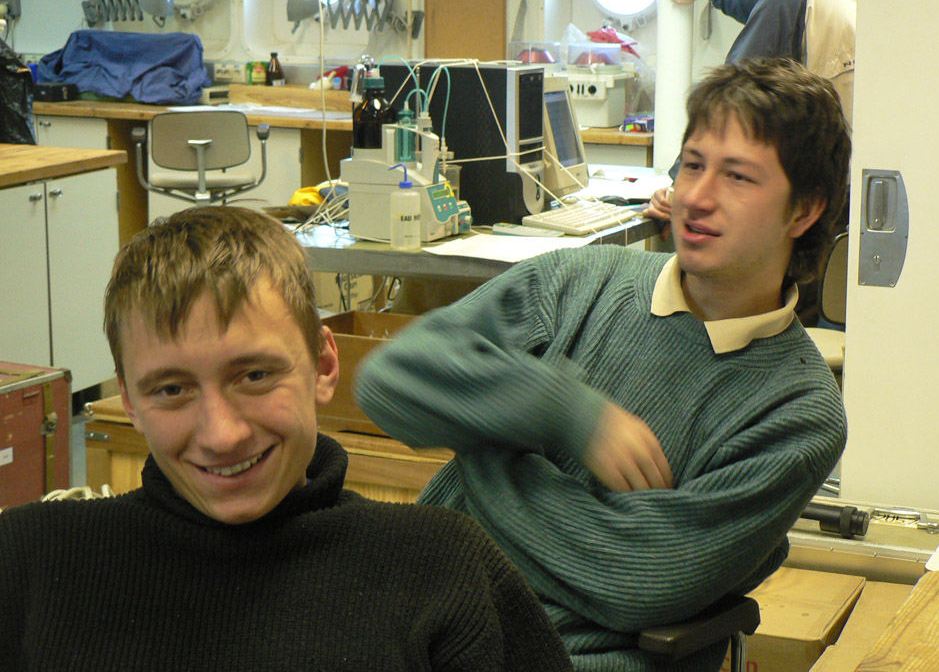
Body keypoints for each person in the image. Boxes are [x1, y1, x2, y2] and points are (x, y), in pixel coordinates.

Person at [355, 57, 851, 672]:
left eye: (738, 177)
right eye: (692, 164)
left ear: (803, 211)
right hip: (413, 628)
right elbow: (390, 381)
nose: (696, 197)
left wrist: (480, 437)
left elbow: (637, 580)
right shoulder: (577, 279)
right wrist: (566, 414)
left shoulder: (799, 412)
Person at [0, 206, 573, 672]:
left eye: (254, 376)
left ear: (323, 364)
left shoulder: (443, 571)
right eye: (172, 390)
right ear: (128, 400)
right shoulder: (28, 563)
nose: (222, 435)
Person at [652, 0, 857, 254]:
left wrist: (680, 184)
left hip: (816, 198)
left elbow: (727, 102)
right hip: (858, 190)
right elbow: (767, 1)